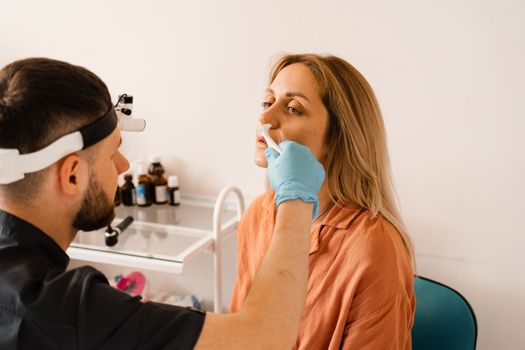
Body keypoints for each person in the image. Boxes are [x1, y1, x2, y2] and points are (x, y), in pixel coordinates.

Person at [0, 57, 325, 349]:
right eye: (113, 153)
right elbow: (263, 339)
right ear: (71, 176)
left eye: (293, 107)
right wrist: (296, 197)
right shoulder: (66, 312)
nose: (124, 165)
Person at [230, 54, 416, 349]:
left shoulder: (373, 247)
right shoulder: (258, 215)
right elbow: (242, 331)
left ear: (337, 138)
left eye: (293, 108)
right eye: (267, 102)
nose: (264, 119)